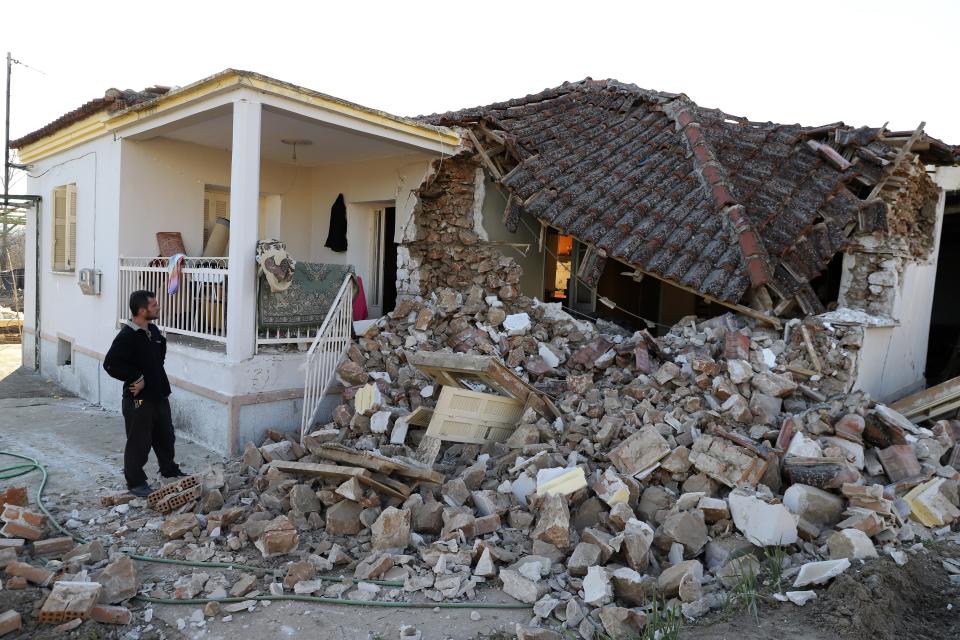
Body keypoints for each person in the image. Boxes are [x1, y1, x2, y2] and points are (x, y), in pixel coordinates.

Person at [103, 290, 185, 496]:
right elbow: (111, 364)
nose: (158, 307)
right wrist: (136, 378)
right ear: (141, 310)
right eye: (154, 305)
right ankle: (136, 482)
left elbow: (159, 358)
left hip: (159, 396)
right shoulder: (127, 336)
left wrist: (151, 379)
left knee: (166, 436)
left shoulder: (154, 332)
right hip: (137, 401)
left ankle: (168, 470)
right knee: (139, 441)